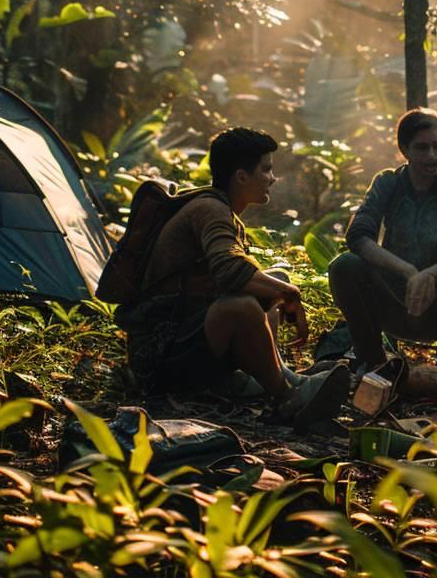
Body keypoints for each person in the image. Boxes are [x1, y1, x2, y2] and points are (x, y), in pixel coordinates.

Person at [118, 128, 351, 426]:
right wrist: (290, 294)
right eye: (266, 169)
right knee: (242, 306)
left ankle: (271, 375)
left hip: (185, 337)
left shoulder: (215, 206)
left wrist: (280, 287)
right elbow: (229, 271)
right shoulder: (211, 210)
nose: (272, 178)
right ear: (241, 176)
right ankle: (287, 396)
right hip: (157, 360)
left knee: (273, 277)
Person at [328, 109, 437, 373]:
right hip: (393, 299)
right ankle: (373, 358)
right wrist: (408, 271)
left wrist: (431, 275)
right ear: (405, 150)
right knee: (343, 266)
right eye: (422, 148)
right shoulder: (388, 182)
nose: (432, 155)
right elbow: (358, 235)